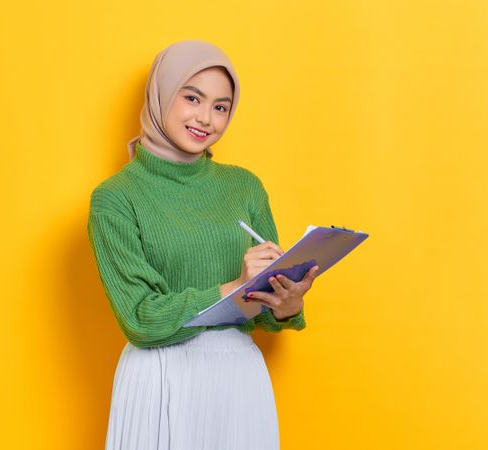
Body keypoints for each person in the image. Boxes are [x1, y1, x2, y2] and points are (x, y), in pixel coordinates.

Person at [87, 39, 319, 450]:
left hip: (238, 379)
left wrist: (287, 304)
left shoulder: (244, 186)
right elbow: (140, 319)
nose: (206, 118)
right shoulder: (116, 198)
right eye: (192, 98)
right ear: (161, 95)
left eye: (221, 106)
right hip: (160, 377)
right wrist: (234, 288)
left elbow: (266, 310)